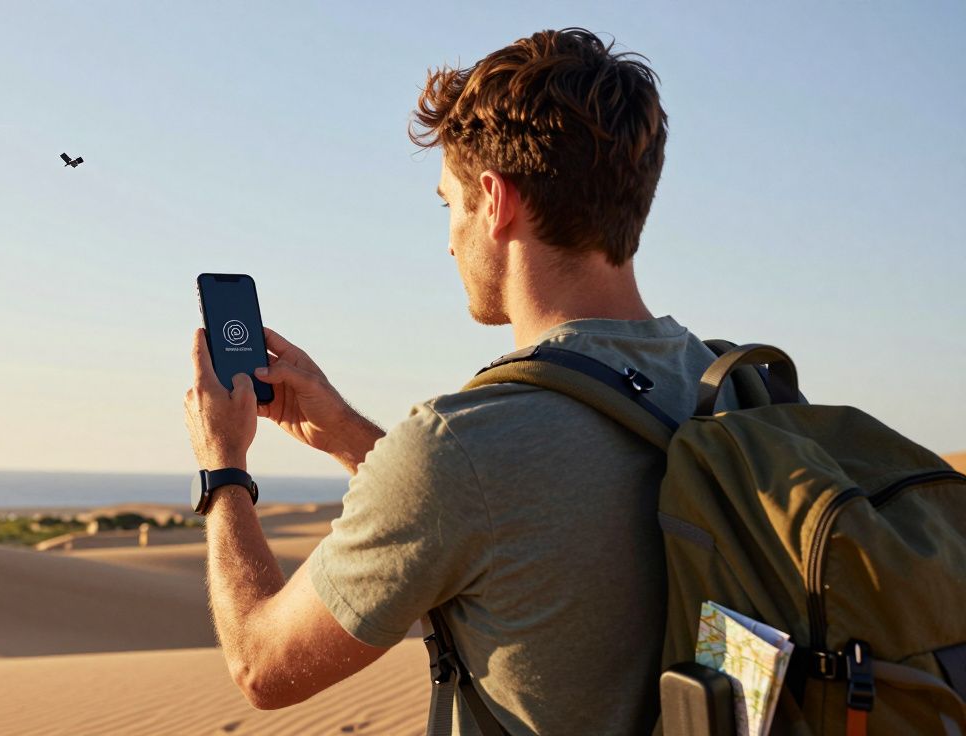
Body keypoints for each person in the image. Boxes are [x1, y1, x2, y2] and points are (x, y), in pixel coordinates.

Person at [183, 27, 724, 734]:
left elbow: (263, 664)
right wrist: (349, 435)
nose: (448, 238)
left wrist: (222, 470)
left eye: (450, 204)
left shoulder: (458, 448)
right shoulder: (736, 388)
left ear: (495, 202)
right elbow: (506, 509)